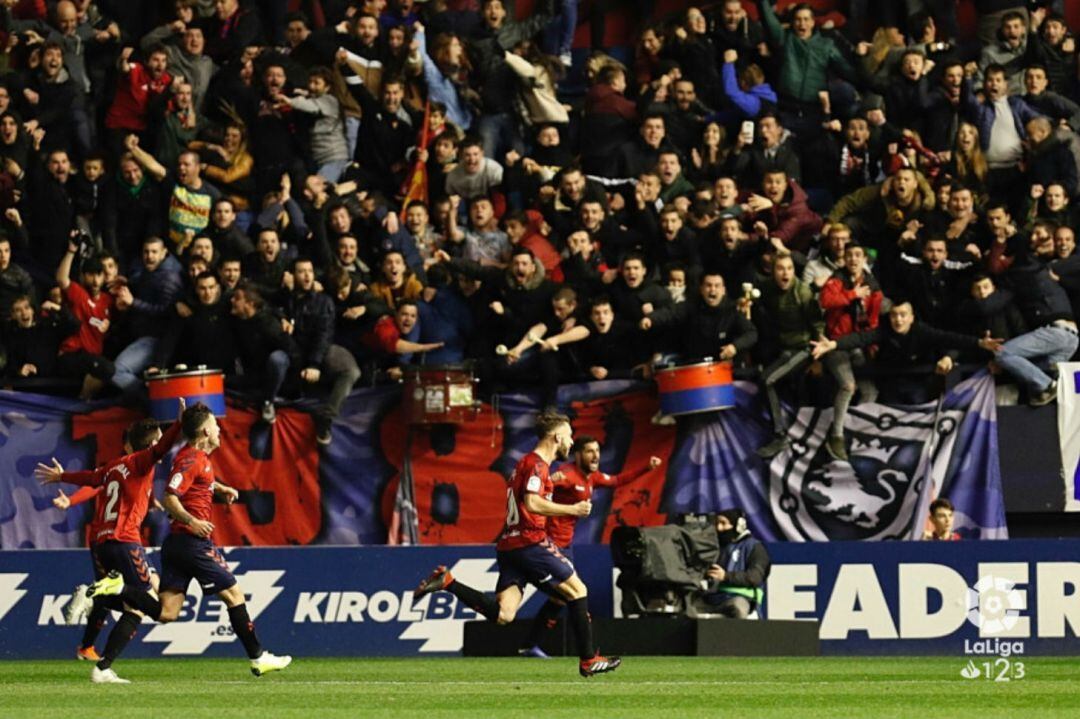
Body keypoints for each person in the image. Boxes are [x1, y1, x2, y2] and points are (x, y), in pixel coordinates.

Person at [84, 402, 292, 678]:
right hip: (192, 544)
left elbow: (193, 480)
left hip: (176, 546)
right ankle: (258, 657)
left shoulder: (193, 458)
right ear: (206, 431)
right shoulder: (192, 458)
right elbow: (171, 497)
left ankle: (117, 590)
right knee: (234, 595)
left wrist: (219, 488)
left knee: (166, 613)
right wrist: (192, 521)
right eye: (215, 425)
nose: (219, 429)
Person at [413, 412, 621, 678]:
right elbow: (532, 503)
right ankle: (588, 660)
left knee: (504, 614)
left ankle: (447, 582)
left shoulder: (525, 464)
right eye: (569, 436)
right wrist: (572, 508)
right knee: (578, 590)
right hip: (530, 542)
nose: (571, 442)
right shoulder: (536, 465)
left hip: (509, 547)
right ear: (557, 437)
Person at [35, 404, 185, 684]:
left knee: (133, 607)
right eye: (159, 438)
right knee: (160, 611)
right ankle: (99, 597)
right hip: (125, 541)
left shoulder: (115, 465)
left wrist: (62, 477)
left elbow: (92, 478)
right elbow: (162, 448)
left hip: (103, 542)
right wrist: (178, 424)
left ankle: (103, 666)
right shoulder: (142, 461)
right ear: (151, 444)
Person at [519, 436, 662, 657]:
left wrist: (646, 467)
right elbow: (536, 493)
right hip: (549, 544)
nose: (595, 455)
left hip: (565, 546)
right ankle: (583, 653)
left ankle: (530, 645)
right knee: (572, 594)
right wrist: (550, 480)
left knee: (560, 598)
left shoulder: (592, 477)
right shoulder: (566, 475)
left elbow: (616, 480)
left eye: (597, 450)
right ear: (578, 455)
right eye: (589, 451)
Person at [697, 508, 771, 618]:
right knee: (689, 610)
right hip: (714, 599)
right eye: (717, 523)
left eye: (723, 523)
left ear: (739, 525)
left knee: (737, 608)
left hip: (742, 599)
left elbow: (755, 577)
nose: (719, 528)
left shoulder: (755, 547)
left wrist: (725, 576)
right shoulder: (717, 548)